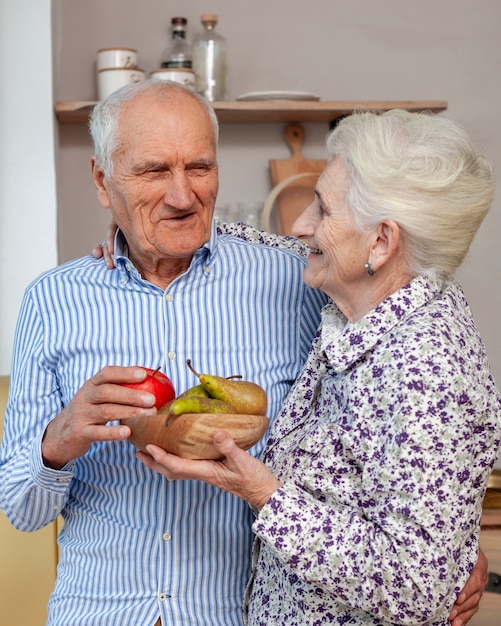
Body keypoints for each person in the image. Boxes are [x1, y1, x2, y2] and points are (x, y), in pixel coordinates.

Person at [137, 109, 501, 625]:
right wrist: (142, 226)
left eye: (323, 208)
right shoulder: (368, 298)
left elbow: (420, 586)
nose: (301, 224)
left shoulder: (427, 369)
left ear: (381, 241)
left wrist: (263, 493)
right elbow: (281, 245)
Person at [0, 80, 327, 626]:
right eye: (154, 172)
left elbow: (376, 422)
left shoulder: (293, 282)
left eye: (199, 168)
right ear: (104, 183)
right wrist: (59, 441)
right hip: (98, 612)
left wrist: (451, 554)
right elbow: (22, 510)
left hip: (239, 614)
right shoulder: (52, 299)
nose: (182, 196)